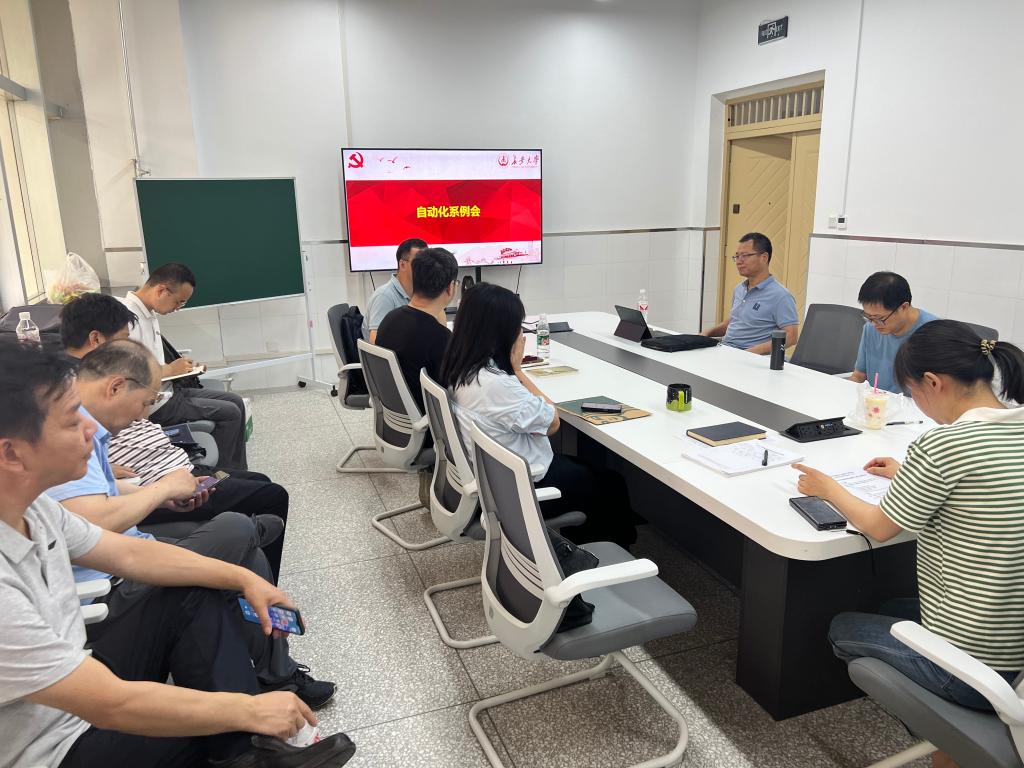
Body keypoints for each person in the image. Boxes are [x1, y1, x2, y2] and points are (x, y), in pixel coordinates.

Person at [0, 340, 355, 767]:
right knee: (210, 728)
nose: (90, 430)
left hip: (76, 693)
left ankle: (248, 753)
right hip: (53, 748)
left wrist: (244, 579)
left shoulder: (35, 510)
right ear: (11, 452)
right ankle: (246, 746)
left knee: (190, 590)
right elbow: (110, 703)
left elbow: (130, 554)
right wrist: (247, 709)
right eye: (71, 420)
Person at [791, 321, 1024, 767]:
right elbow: (986, 485)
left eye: (913, 392)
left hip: (976, 673)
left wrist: (827, 488)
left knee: (843, 626)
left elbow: (879, 528)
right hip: (1015, 649)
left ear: (933, 383)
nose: (917, 404)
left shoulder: (945, 445)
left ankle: (947, 735)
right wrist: (910, 474)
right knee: (889, 608)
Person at [61, 293, 291, 580]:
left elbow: (99, 496)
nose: (141, 417)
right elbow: (98, 522)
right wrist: (162, 489)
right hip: (143, 507)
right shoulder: (69, 417)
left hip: (160, 483)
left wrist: (163, 493)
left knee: (254, 498)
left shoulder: (86, 412)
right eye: (122, 341)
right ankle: (250, 558)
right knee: (254, 512)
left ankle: (251, 570)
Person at [440, 283, 636, 548]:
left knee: (594, 473)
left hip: (496, 478)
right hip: (521, 488)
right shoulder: (496, 385)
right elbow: (552, 422)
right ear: (500, 332)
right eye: (517, 327)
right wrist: (517, 371)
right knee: (611, 483)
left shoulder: (461, 367)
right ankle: (601, 556)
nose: (520, 334)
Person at [119, 263, 248, 469]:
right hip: (156, 404)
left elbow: (153, 362)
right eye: (178, 302)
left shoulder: (149, 313)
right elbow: (129, 374)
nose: (178, 308)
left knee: (236, 401)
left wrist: (182, 369)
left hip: (169, 391)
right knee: (230, 413)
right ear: (161, 290)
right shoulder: (127, 319)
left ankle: (238, 473)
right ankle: (222, 476)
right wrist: (170, 370)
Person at [375, 246, 457, 412]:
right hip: (430, 418)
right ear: (450, 288)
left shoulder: (390, 318)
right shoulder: (440, 337)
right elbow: (456, 390)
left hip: (399, 412)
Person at [700, 232, 799, 353]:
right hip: (726, 349)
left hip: (751, 357)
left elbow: (791, 337)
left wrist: (749, 353)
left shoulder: (781, 295)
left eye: (745, 256)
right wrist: (706, 333)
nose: (739, 261)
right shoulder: (739, 289)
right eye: (737, 256)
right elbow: (733, 323)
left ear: (764, 257)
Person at [850, 271, 939, 393]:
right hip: (875, 401)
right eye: (869, 317)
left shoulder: (934, 333)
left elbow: (938, 392)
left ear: (904, 307)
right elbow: (859, 376)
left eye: (879, 318)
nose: (874, 324)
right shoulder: (870, 328)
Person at [363, 238, 428, 342]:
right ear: (402, 265)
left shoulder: (421, 292)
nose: (425, 268)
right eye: (419, 262)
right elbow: (375, 342)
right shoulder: (384, 296)